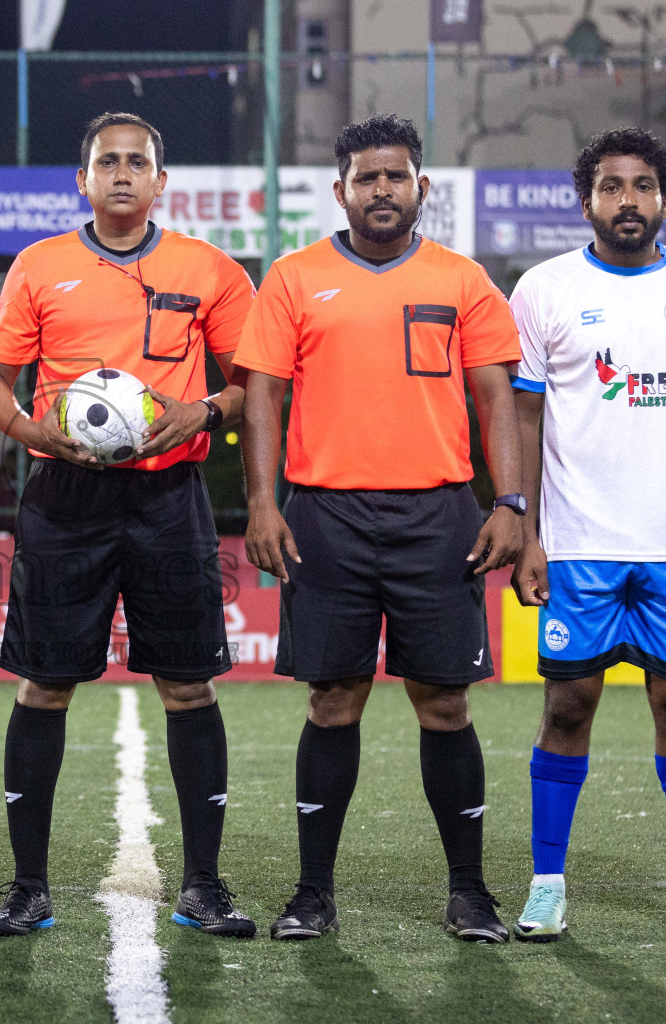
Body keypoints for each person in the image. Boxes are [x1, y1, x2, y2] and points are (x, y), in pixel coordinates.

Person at [240, 114, 524, 943]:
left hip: (438, 515)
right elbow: (263, 395)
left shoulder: (463, 279)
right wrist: (262, 502)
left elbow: (494, 395)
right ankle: (311, 894)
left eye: (396, 176)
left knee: (445, 704)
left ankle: (469, 892)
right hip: (325, 514)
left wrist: (508, 502)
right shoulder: (293, 278)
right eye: (367, 178)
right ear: (341, 191)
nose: (382, 190)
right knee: (333, 701)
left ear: (420, 187)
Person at [0, 112, 257, 938]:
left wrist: (201, 411)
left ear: (161, 182)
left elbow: (251, 386)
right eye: (108, 162)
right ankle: (28, 887)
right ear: (83, 179)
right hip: (66, 498)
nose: (123, 173)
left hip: (169, 497)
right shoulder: (41, 265)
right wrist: (33, 432)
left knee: (189, 684)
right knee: (44, 684)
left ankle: (203, 884)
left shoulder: (209, 270)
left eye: (139, 162)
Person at [509, 128, 666, 942]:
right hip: (579, 543)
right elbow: (526, 414)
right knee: (569, 702)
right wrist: (529, 532)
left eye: (643, 186)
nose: (628, 201)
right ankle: (547, 884)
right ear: (587, 202)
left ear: (664, 199)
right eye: (611, 187)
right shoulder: (543, 289)